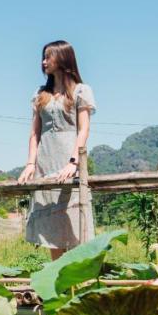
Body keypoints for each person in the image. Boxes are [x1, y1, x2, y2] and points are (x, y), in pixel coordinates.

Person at [16, 40, 96, 259]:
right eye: (43, 57)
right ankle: (59, 286)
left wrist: (73, 162)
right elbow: (34, 133)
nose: (43, 62)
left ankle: (80, 286)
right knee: (52, 227)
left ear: (62, 58)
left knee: (75, 222)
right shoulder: (41, 94)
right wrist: (30, 164)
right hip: (46, 161)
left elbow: (83, 130)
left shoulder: (81, 91)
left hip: (70, 161)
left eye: (47, 57)